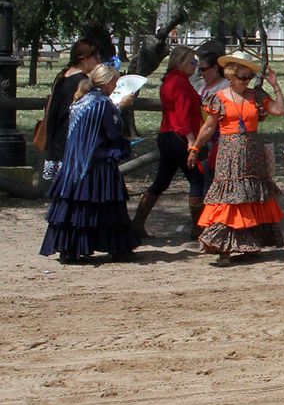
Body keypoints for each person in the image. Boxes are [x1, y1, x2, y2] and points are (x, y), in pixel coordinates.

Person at [190, 52, 284, 258]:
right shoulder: (218, 98)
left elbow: (280, 110)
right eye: (243, 76)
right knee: (228, 198)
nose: (246, 81)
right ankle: (223, 248)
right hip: (229, 155)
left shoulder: (257, 95)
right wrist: (195, 148)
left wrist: (275, 86)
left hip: (253, 155)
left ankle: (249, 244)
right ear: (231, 75)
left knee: (250, 197)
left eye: (249, 76)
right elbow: (208, 127)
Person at [40, 62, 138, 263]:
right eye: (115, 82)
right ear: (107, 83)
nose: (116, 86)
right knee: (109, 207)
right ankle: (118, 248)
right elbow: (112, 132)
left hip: (75, 163)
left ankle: (70, 249)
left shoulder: (81, 100)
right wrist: (124, 141)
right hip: (98, 163)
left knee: (77, 207)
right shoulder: (103, 103)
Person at [131, 46, 204, 240]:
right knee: (197, 178)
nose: (195, 66)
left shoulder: (171, 80)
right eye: (192, 62)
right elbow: (182, 116)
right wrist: (191, 141)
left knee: (162, 181)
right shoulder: (180, 83)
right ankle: (199, 228)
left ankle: (137, 223)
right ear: (179, 62)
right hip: (179, 137)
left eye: (196, 62)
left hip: (167, 135)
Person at [41, 39, 101, 183]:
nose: (99, 61)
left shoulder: (63, 75)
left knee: (59, 186)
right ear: (84, 59)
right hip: (71, 140)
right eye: (96, 57)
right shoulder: (82, 82)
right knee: (72, 187)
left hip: (57, 138)